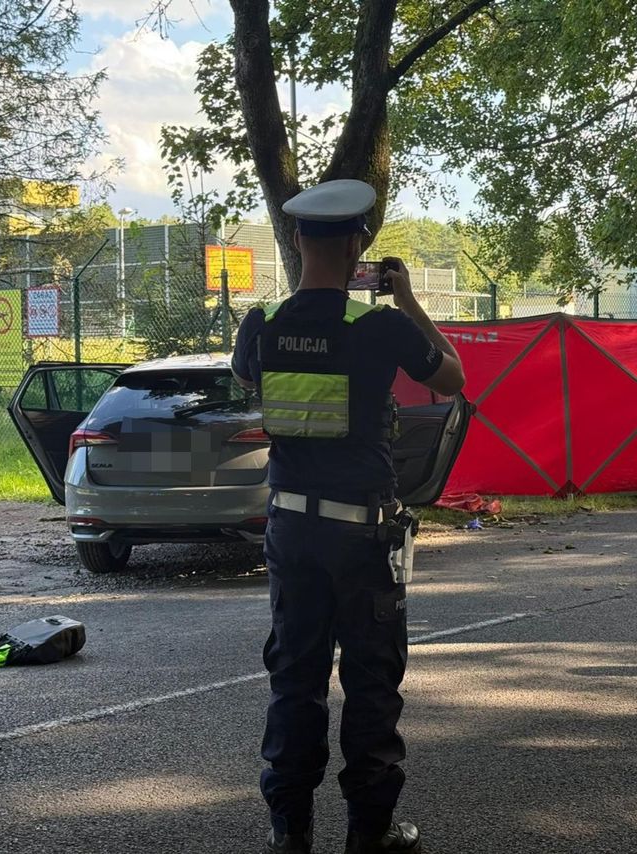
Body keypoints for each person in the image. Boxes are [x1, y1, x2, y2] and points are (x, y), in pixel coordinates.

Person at [232, 179, 465, 854]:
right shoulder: (382, 326)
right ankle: (371, 831)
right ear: (358, 244)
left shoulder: (262, 326)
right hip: (361, 533)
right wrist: (407, 297)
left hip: (290, 530)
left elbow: (248, 378)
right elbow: (451, 380)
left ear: (297, 240)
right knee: (369, 677)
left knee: (295, 676)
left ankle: (289, 830)